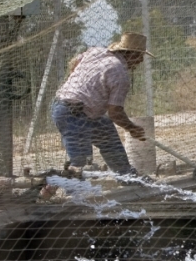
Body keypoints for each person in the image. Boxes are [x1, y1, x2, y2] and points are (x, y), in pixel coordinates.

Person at [51, 32, 153, 174]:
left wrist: (82, 84)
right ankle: (69, 193)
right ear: (132, 55)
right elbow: (115, 113)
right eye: (140, 56)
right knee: (81, 163)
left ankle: (128, 177)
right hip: (72, 115)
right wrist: (132, 128)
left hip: (65, 107)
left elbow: (73, 64)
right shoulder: (120, 74)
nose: (141, 60)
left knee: (110, 141)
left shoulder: (96, 52)